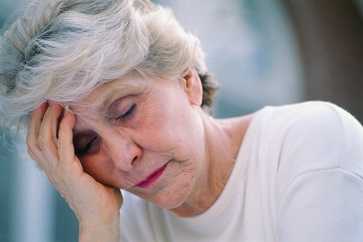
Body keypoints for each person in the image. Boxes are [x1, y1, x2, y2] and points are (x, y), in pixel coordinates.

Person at [1, 0, 363, 242]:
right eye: (86, 145)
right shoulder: (120, 225)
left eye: (126, 110)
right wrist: (97, 227)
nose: (124, 156)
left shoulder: (310, 142)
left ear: (187, 81)